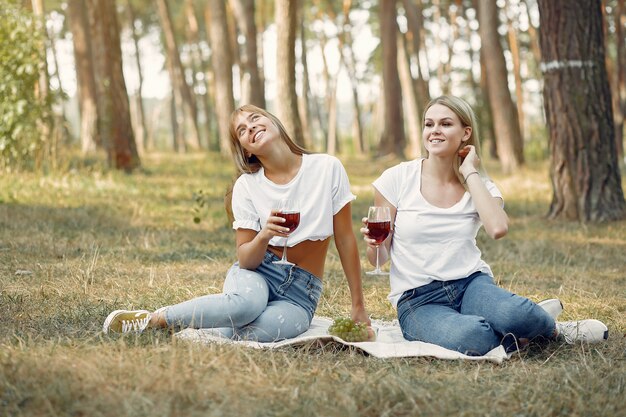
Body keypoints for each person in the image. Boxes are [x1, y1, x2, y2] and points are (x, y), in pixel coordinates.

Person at [360, 95, 608, 355]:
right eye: (429, 124)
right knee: (474, 337)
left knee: (514, 314)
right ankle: (526, 324)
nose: (434, 131)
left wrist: (469, 172)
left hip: (471, 285)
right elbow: (379, 258)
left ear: (466, 132)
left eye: (445, 124)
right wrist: (374, 244)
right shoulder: (396, 178)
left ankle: (551, 329)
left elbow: (498, 229)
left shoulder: (480, 185)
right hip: (418, 300)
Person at [103, 104, 370, 341]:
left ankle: (203, 324)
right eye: (242, 130)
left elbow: (345, 239)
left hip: (301, 293)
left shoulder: (327, 168)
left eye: (255, 118)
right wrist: (264, 235)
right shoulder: (247, 187)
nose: (251, 127)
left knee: (262, 330)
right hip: (258, 273)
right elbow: (245, 259)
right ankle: (156, 319)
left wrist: (358, 304)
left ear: (274, 122)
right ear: (246, 150)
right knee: (245, 307)